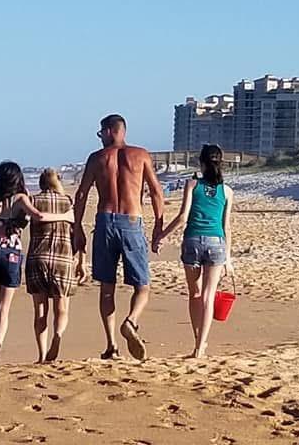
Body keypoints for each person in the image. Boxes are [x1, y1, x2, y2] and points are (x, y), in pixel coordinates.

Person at [73, 114, 164, 360]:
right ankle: (131, 321)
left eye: (101, 133)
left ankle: (112, 345)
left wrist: (78, 226)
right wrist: (158, 224)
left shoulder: (97, 158)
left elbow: (81, 194)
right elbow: (156, 191)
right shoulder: (141, 155)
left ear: (111, 131)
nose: (100, 137)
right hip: (131, 221)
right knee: (142, 286)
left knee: (107, 287)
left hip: (105, 221)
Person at [0, 162, 74, 366]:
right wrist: (65, 216)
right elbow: (38, 216)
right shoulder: (20, 199)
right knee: (3, 308)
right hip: (11, 253)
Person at [156, 144, 234, 358]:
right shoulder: (227, 191)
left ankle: (197, 338)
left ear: (201, 163)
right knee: (209, 296)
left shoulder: (192, 184)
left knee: (195, 294)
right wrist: (228, 259)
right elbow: (226, 226)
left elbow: (183, 217)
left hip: (192, 241)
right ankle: (200, 346)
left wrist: (162, 236)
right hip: (216, 243)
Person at [25, 168, 87, 363]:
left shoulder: (33, 201)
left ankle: (42, 354)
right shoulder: (68, 202)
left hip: (38, 258)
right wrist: (82, 262)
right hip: (63, 258)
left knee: (40, 311)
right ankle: (58, 335)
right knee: (62, 308)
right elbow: (79, 235)